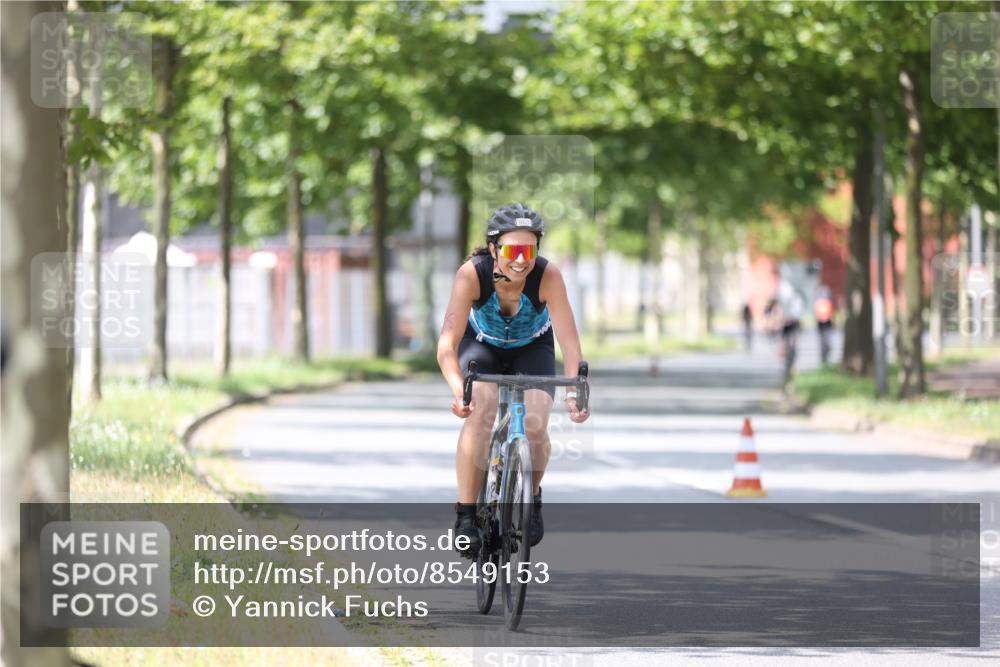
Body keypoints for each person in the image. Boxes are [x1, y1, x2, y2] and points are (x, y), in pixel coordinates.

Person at [437, 203, 590, 557]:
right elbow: (446, 345)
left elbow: (569, 342)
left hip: (532, 347)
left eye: (530, 251)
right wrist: (460, 392)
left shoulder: (547, 277)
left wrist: (573, 394)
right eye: (511, 250)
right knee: (482, 408)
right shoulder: (471, 275)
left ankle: (532, 497)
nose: (521, 260)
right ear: (493, 249)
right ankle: (466, 513)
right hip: (482, 347)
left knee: (536, 422)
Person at [814, 287, 835, 365]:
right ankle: (823, 357)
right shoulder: (819, 303)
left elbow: (831, 313)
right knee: (823, 341)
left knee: (827, 341)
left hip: (827, 324)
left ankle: (826, 354)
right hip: (821, 324)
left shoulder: (827, 303)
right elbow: (817, 314)